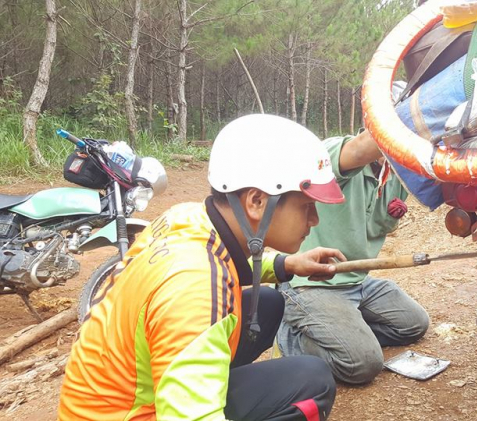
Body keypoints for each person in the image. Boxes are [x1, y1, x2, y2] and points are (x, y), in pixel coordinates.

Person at [58, 114, 347, 421]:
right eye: (306, 206)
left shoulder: (188, 217)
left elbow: (230, 259)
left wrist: (287, 265)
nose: (314, 219)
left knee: (268, 303)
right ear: (257, 201)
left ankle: (203, 380)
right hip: (135, 412)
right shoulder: (194, 291)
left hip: (109, 398)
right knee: (311, 380)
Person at [276, 129, 430, 385]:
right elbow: (360, 148)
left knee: (413, 324)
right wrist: (411, 124)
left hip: (358, 283)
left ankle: (343, 332)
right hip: (311, 283)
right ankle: (290, 337)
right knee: (362, 364)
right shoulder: (336, 154)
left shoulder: (399, 174)